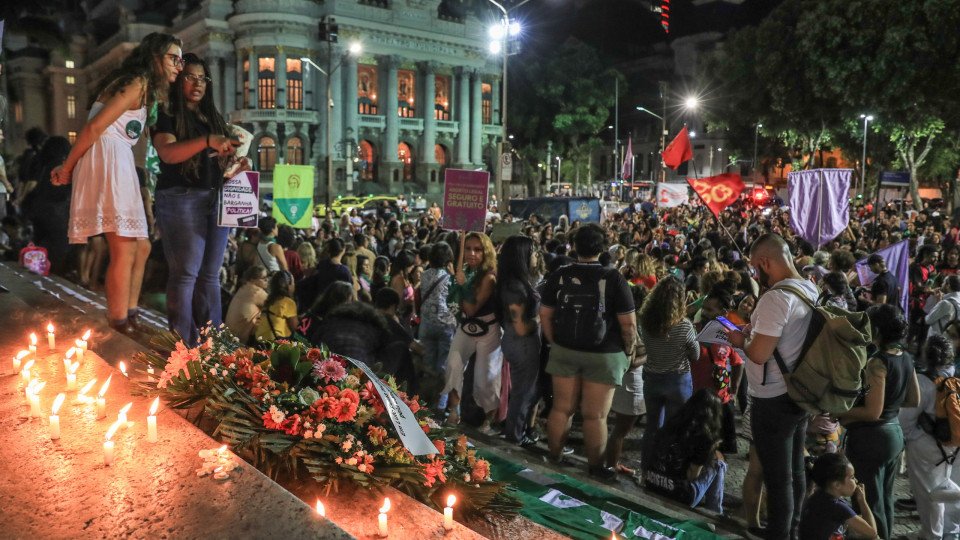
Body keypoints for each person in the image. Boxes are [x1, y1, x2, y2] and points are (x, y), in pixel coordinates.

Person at [52, 32, 184, 333]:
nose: (178, 65)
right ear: (155, 57)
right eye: (173, 58)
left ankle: (130, 311)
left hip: (117, 159)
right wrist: (67, 167)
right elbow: (95, 127)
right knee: (124, 247)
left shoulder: (144, 87)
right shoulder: (136, 81)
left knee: (142, 246)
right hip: (107, 158)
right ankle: (119, 322)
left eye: (181, 59)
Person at [726, 233, 820, 540]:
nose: (755, 273)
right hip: (798, 394)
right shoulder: (808, 288)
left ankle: (779, 533)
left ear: (765, 262)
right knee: (794, 471)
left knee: (778, 478)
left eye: (755, 267)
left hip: (772, 398)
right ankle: (791, 531)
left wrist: (741, 339)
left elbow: (758, 353)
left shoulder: (776, 298)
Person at [152, 53, 241, 344]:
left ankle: (212, 344)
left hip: (215, 197)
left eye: (202, 78)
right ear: (179, 81)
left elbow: (219, 158)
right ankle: (183, 345)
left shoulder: (213, 118)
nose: (197, 83)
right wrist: (206, 141)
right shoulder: (166, 114)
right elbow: (167, 152)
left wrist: (238, 163)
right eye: (190, 76)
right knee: (186, 274)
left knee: (211, 275)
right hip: (181, 197)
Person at [540, 224, 637, 479]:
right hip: (604, 354)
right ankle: (595, 467)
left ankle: (554, 456)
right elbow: (628, 325)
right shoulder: (613, 277)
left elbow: (545, 315)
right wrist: (628, 354)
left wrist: (554, 342)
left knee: (561, 409)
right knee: (595, 415)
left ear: (574, 245)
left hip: (564, 349)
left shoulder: (560, 274)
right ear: (603, 247)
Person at [839, 304, 920, 539]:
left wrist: (843, 413)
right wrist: (891, 405)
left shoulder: (878, 362)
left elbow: (872, 411)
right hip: (894, 433)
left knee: (868, 501)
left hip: (872, 438)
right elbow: (914, 399)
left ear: (877, 329)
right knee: (885, 499)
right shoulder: (906, 357)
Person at [899, 334, 960, 539]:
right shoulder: (956, 376)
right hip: (956, 443)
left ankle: (932, 534)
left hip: (928, 446)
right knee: (949, 490)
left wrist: (913, 438)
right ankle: (950, 531)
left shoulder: (923, 382)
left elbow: (906, 421)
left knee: (929, 494)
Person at [442, 232, 502, 433]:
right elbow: (456, 308)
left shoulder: (489, 276)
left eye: (477, 249)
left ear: (486, 252)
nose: (472, 253)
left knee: (486, 378)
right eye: (467, 249)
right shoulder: (465, 270)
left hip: (488, 329)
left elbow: (470, 308)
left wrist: (460, 285)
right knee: (453, 365)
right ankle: (453, 411)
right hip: (466, 327)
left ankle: (488, 419)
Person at [639, 275, 699, 466]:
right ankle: (669, 470)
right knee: (675, 429)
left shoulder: (645, 321)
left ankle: (647, 467)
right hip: (677, 382)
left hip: (652, 379)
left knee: (652, 427)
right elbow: (695, 354)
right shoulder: (684, 326)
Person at [643, 389, 727, 514]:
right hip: (679, 496)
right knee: (718, 464)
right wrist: (710, 452)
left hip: (651, 483)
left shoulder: (669, 425)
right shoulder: (705, 438)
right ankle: (714, 512)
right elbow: (692, 476)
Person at [496, 235, 543, 445]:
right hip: (522, 344)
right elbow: (522, 327)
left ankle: (516, 433)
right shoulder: (514, 287)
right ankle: (514, 436)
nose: (535, 256)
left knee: (524, 391)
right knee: (524, 393)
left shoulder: (515, 282)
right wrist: (543, 318)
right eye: (532, 252)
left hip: (517, 342)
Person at [605, 285, 648, 476]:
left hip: (621, 379)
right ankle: (610, 464)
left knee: (620, 427)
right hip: (630, 381)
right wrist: (650, 355)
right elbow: (631, 363)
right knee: (621, 429)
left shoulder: (621, 320)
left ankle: (610, 461)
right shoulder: (634, 326)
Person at [20, 136, 72, 275]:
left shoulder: (41, 164)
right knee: (58, 248)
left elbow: (31, 184)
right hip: (57, 213)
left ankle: (38, 274)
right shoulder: (64, 166)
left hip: (38, 210)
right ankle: (53, 276)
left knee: (40, 245)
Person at [798, 453, 878, 540]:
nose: (856, 480)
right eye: (852, 477)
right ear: (837, 484)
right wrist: (862, 500)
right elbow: (872, 533)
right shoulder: (837, 506)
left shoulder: (818, 495)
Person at [419, 242, 457, 404]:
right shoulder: (450, 278)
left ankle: (424, 402)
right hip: (446, 325)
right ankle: (440, 404)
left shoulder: (424, 275)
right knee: (443, 368)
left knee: (428, 366)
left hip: (426, 324)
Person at [295, 237, 351, 310]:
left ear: (329, 250)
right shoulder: (344, 271)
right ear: (343, 250)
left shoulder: (322, 264)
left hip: (319, 306)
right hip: (336, 308)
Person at [224, 265, 268, 345]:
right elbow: (276, 306)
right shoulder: (256, 292)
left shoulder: (243, 288)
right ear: (252, 279)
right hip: (241, 341)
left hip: (229, 336)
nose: (267, 280)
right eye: (263, 278)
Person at [254, 270, 298, 341]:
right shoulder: (288, 302)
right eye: (293, 282)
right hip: (276, 343)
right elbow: (296, 328)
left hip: (260, 341)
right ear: (288, 285)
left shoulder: (267, 301)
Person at [925, 274, 960, 340]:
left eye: (943, 282)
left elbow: (928, 320)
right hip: (950, 340)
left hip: (936, 340)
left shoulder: (945, 303)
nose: (941, 284)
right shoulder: (957, 300)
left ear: (948, 285)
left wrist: (938, 302)